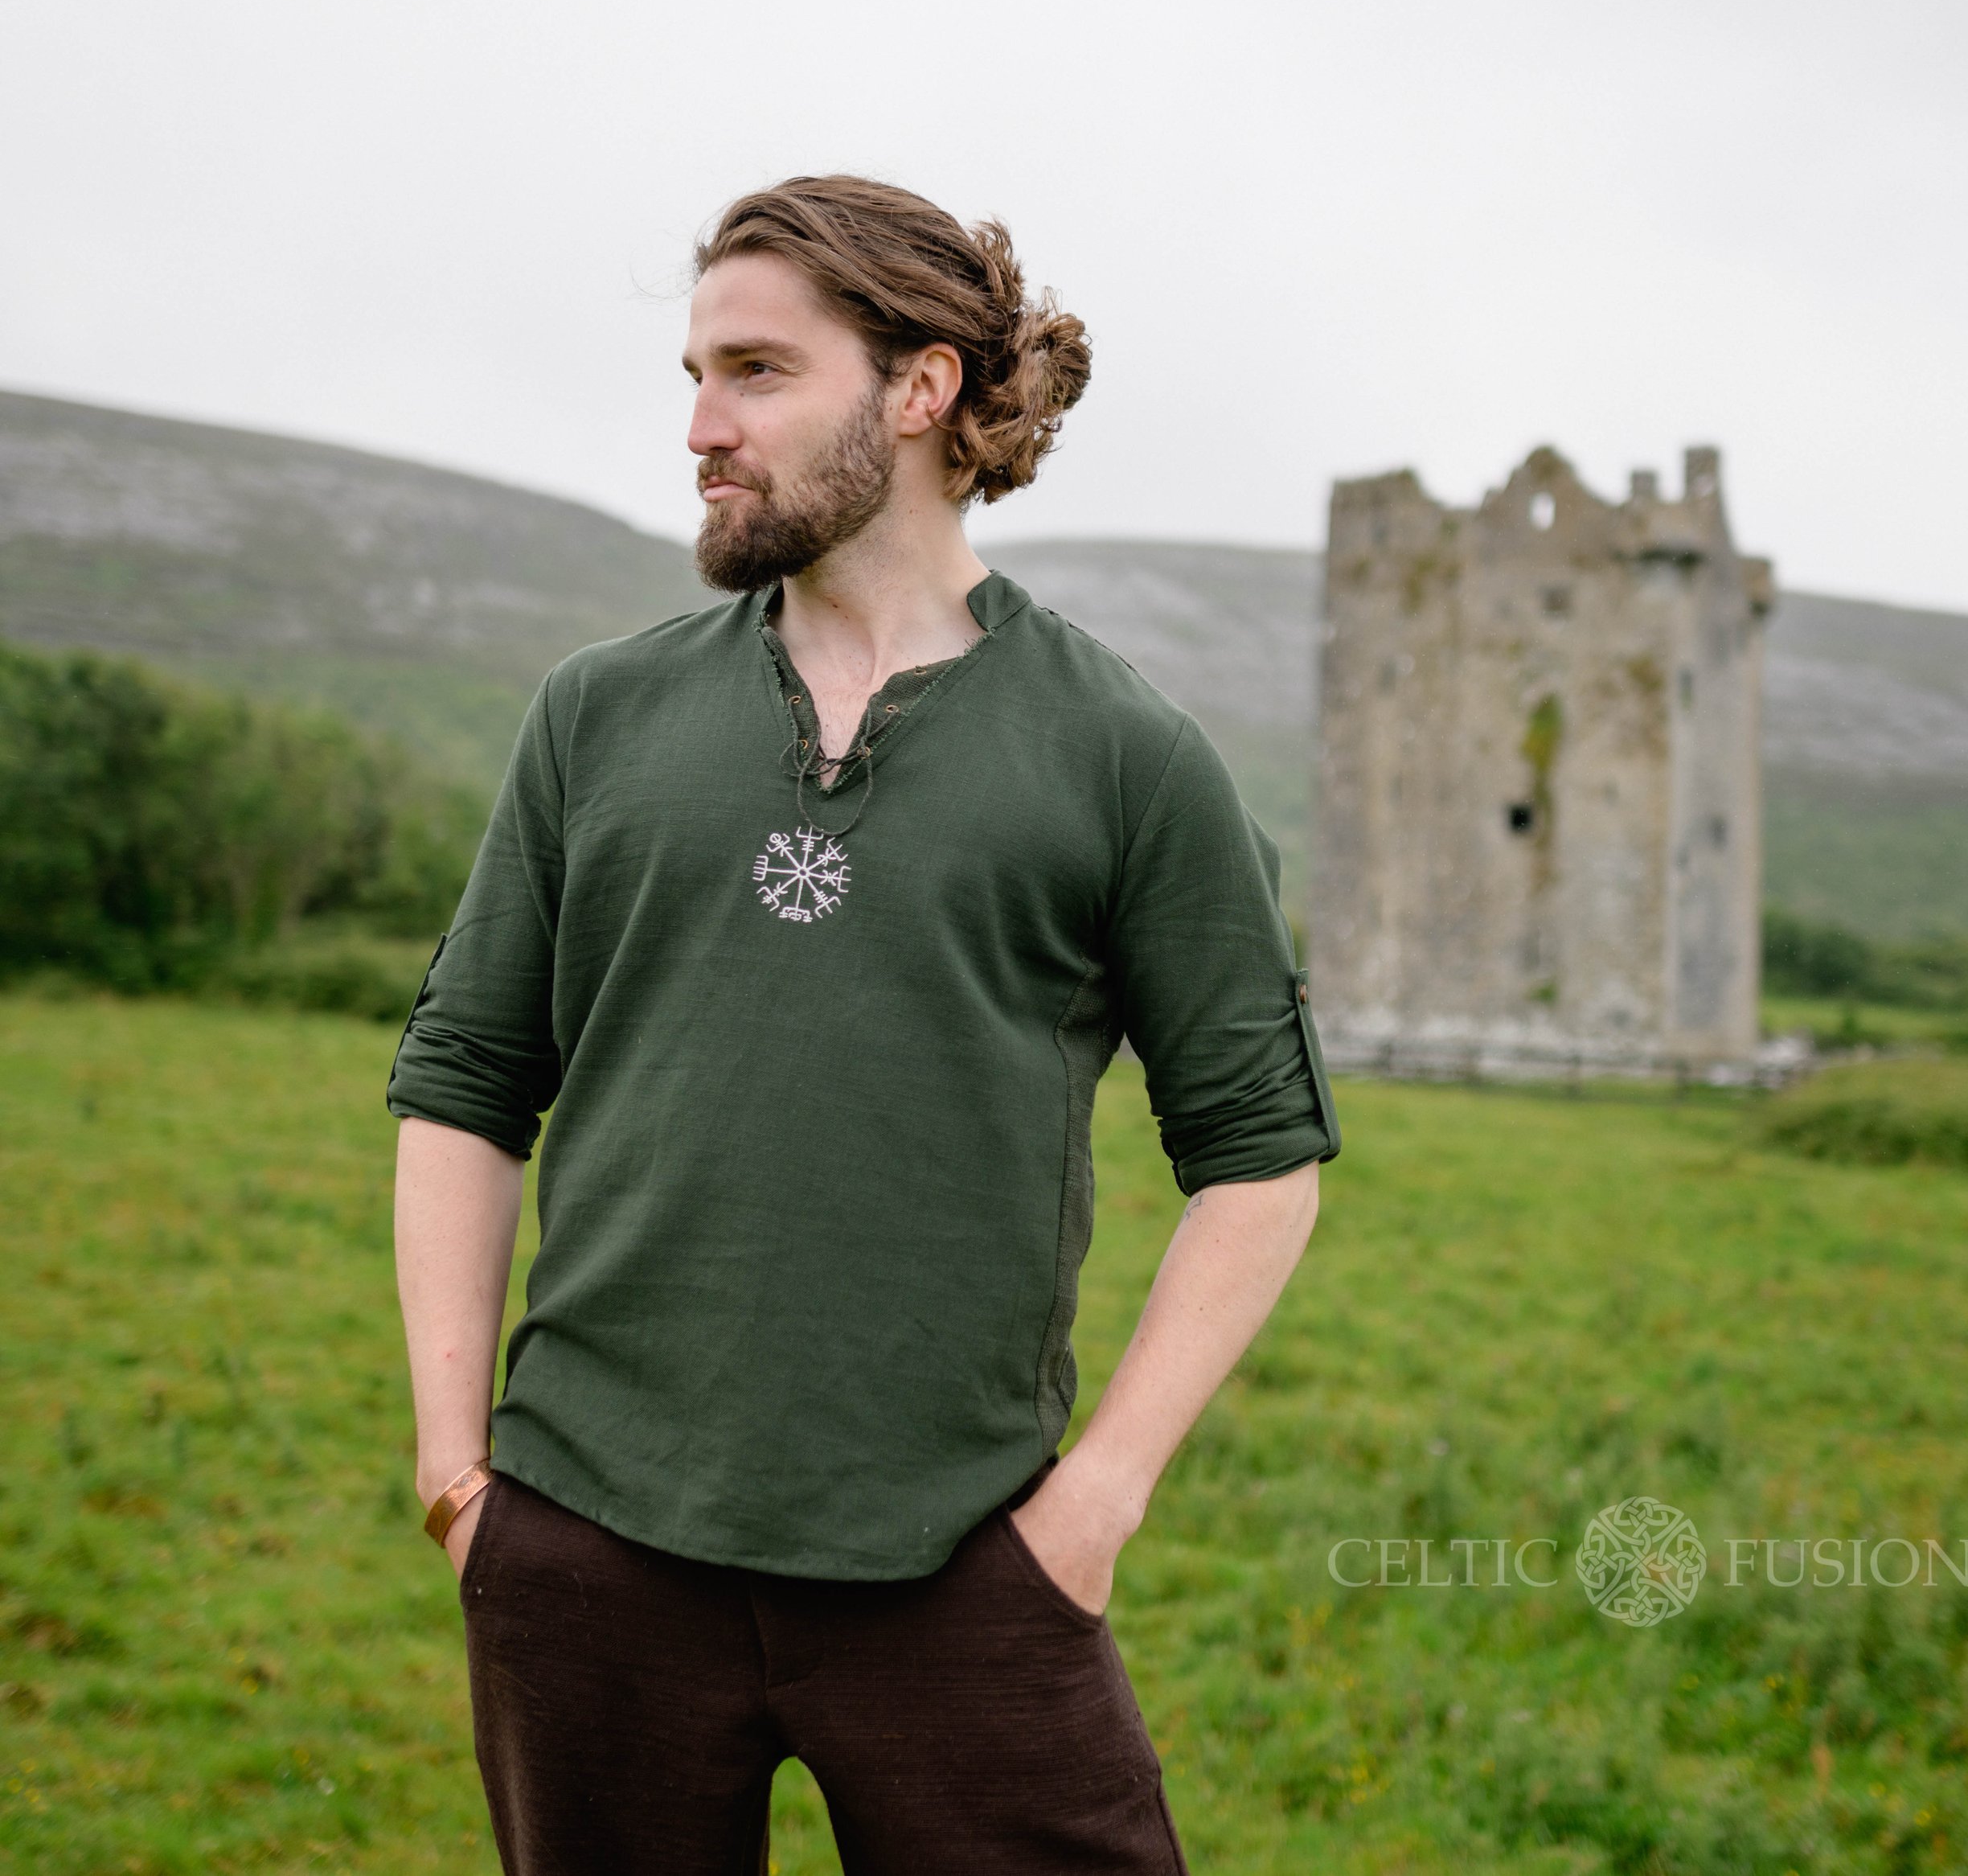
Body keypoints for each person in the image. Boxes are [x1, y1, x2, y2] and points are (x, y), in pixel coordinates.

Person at [387, 173, 1342, 1876]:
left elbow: (1260, 1154)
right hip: (586, 1545)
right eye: (692, 374)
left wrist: (1092, 1505)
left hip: (958, 1561)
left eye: (755, 371)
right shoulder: (597, 714)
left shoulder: (1124, 751)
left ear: (918, 391)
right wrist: (462, 1474)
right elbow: (465, 1082)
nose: (700, 424)